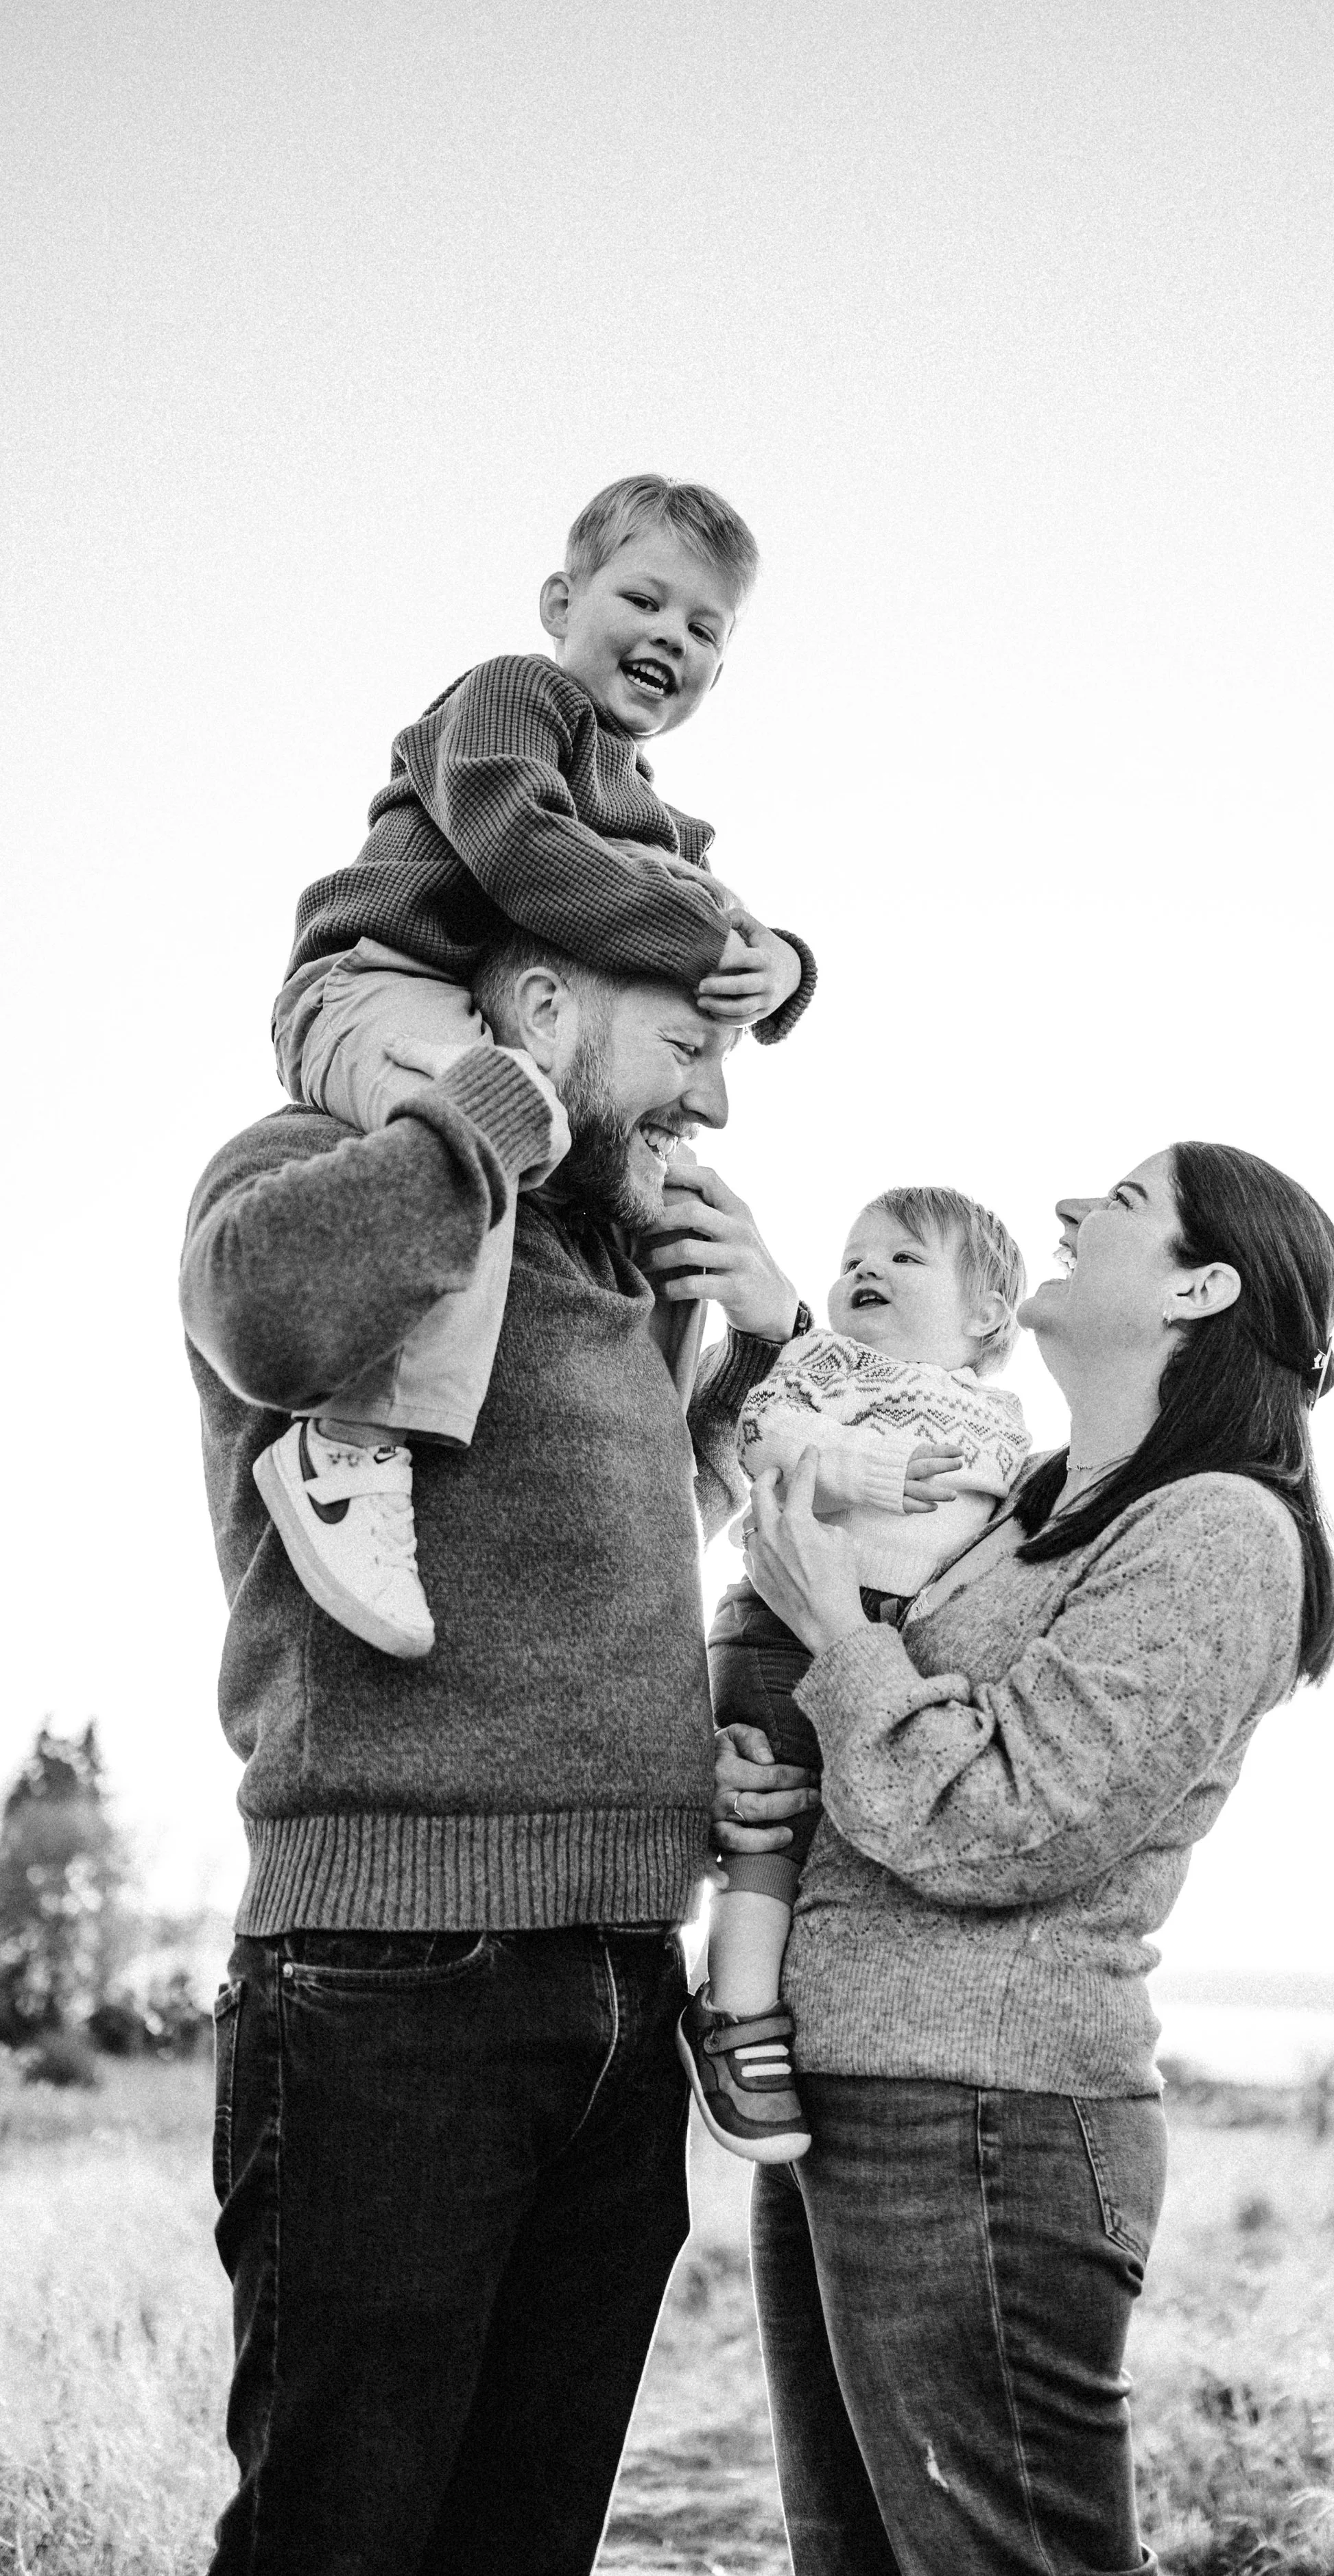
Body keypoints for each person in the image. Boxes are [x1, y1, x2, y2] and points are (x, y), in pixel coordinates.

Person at [180, 926, 807, 2576]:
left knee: (521, 2543)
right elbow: (258, 1310)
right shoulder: (325, 1164)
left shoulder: (621, 1265)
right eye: (687, 1047)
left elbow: (698, 1509)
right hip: (393, 1976)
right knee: (343, 2541)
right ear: (544, 1009)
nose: (719, 1103)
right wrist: (486, 1121)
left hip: (621, 1977)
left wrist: (769, 1322)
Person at [715, 1140, 1334, 2576]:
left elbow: (1010, 1820)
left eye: (1119, 1205)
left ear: (1200, 1283)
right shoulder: (1027, 1501)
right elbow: (890, 1768)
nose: (1067, 1211)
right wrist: (764, 1786)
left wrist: (837, 1639)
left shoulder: (1217, 1533)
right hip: (855, 2095)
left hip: (985, 2122)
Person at [257, 472, 817, 1659]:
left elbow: (725, 921)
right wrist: (708, 940)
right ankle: (353, 1444)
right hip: (378, 985)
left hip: (486, 1022)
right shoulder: (514, 700)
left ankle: (634, 1420)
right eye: (644, 598)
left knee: (617, 1185)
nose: (670, 633)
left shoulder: (666, 824)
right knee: (485, 1117)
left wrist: (780, 968)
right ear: (562, 599)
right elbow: (515, 843)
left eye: (704, 627)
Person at [680, 1186, 1031, 2163]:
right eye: (854, 1258)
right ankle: (735, 2017)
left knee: (854, 1826)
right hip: (779, 1627)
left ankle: (802, 2008)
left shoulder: (1001, 1420)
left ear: (986, 1317)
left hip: (886, 1643)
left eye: (906, 1259)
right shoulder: (826, 1367)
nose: (865, 1270)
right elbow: (767, 1444)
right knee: (773, 1819)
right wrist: (865, 1474)